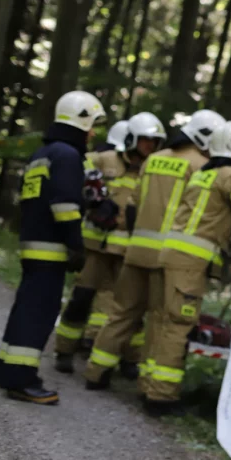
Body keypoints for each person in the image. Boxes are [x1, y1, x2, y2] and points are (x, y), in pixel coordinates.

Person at [141, 121, 231, 416]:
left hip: (169, 254)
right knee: (179, 325)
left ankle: (148, 384)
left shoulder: (203, 174)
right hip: (189, 263)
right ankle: (161, 397)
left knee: (160, 321)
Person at [83, 109, 224, 391]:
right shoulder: (203, 167)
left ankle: (96, 373)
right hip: (168, 258)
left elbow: (133, 206)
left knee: (121, 313)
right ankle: (150, 387)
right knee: (161, 322)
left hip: (136, 251)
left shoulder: (153, 160)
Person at [0, 90, 106, 404]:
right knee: (38, 314)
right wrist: (76, 246)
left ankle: (10, 370)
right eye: (92, 123)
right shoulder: (69, 157)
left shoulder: (43, 154)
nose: (93, 131)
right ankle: (21, 380)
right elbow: (65, 206)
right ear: (81, 119)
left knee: (26, 309)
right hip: (51, 249)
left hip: (33, 245)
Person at [53, 116, 153, 374]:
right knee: (81, 298)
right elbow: (76, 166)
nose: (149, 145)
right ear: (131, 139)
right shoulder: (106, 159)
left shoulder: (150, 168)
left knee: (125, 307)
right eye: (144, 140)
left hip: (125, 251)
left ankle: (125, 359)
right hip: (94, 246)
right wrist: (94, 196)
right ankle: (64, 350)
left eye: (154, 141)